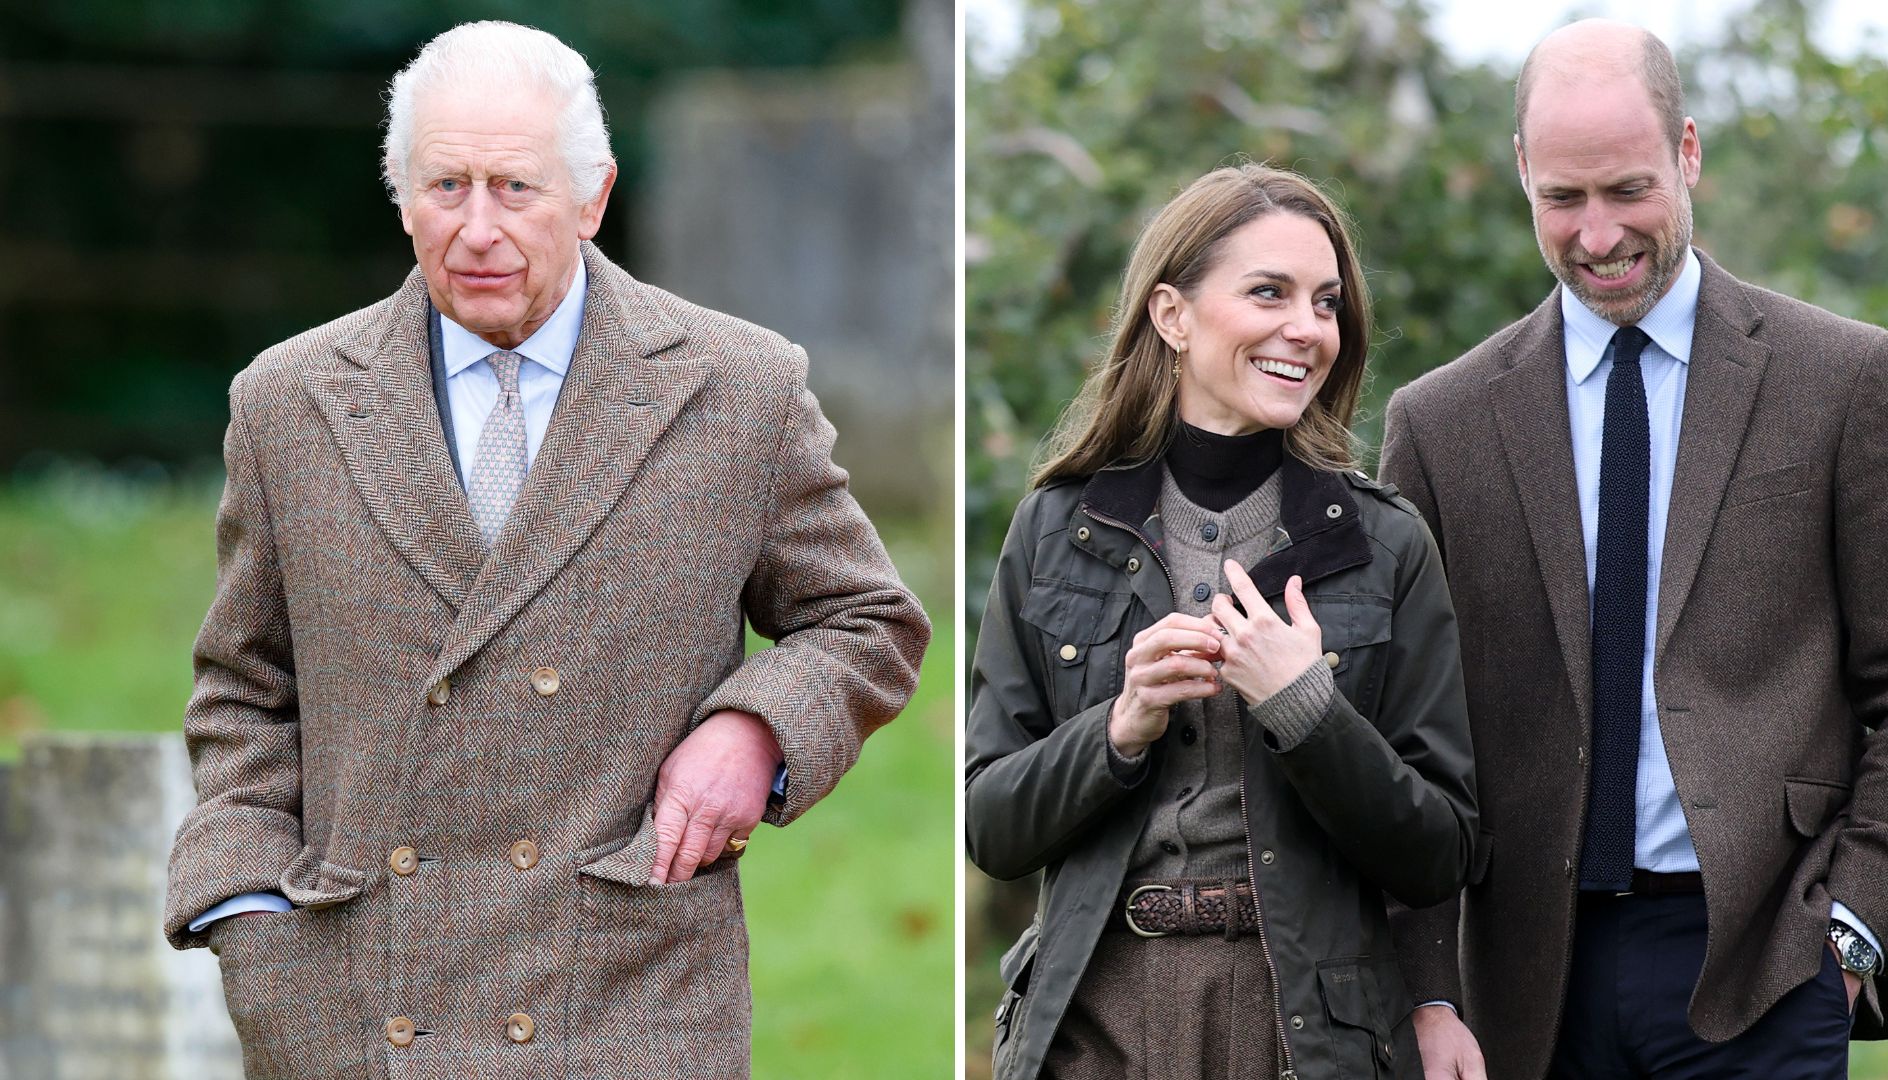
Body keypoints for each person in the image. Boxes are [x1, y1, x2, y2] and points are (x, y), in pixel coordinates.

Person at [161, 21, 929, 1078]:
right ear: (401, 199)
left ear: (592, 197)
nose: (477, 229)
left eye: (515, 188)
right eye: (445, 187)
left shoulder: (739, 388)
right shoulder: (288, 403)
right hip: (355, 1009)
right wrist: (248, 918)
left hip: (627, 1001)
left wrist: (756, 730)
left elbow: (865, 620)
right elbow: (245, 692)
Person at [1382, 19, 1888, 1080]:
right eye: (1562, 199)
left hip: (1767, 964)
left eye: (1627, 189)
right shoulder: (1437, 425)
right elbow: (1407, 733)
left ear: (1688, 152)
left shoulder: (1844, 379)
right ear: (1523, 176)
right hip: (1525, 981)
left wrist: (1854, 931)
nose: (1596, 234)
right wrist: (1427, 987)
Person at [967, 164, 1477, 1080]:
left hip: (1308, 1034)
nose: (1306, 329)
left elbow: (1441, 851)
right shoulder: (1055, 528)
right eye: (1268, 293)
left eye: (1325, 303)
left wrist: (1309, 712)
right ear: (1172, 316)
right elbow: (991, 829)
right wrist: (1118, 729)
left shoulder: (1386, 545)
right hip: (1095, 1023)